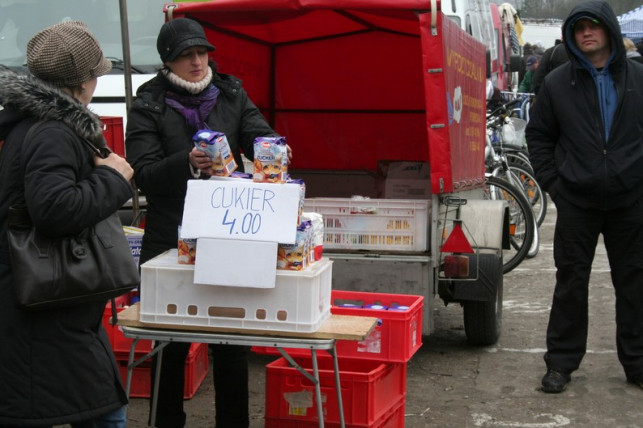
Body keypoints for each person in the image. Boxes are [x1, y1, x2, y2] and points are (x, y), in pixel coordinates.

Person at [125, 18, 290, 427]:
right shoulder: (148, 102)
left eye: (202, 53)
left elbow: (258, 134)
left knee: (230, 341)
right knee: (170, 340)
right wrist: (185, 163)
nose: (198, 62)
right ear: (168, 61)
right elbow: (142, 171)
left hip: (226, 232)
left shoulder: (231, 92)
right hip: (169, 231)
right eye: (186, 56)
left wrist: (274, 152)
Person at [0, 21, 134, 426]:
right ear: (83, 82)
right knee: (106, 414)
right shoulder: (54, 132)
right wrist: (113, 177)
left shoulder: (37, 124)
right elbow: (55, 210)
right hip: (47, 305)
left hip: (46, 303)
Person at [526, 0, 643, 394]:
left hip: (631, 200)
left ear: (608, 28)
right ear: (571, 37)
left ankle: (638, 363)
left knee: (634, 283)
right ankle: (560, 364)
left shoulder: (638, 79)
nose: (586, 32)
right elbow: (539, 136)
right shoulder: (558, 83)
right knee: (571, 282)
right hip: (577, 200)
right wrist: (554, 184)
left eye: (593, 25)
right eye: (578, 28)